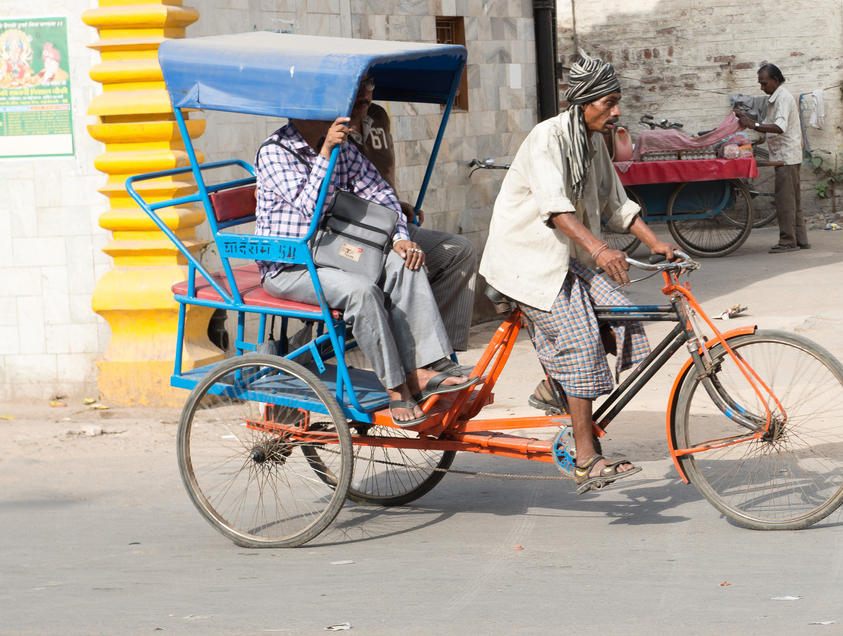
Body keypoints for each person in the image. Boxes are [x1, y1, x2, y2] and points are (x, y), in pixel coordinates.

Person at [480, 55, 680, 494]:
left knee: (622, 312)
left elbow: (617, 203)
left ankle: (557, 385)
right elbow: (557, 210)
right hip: (526, 262)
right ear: (585, 101)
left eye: (617, 102)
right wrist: (601, 249)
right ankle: (587, 459)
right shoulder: (547, 139)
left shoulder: (591, 141)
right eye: (609, 103)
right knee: (582, 340)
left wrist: (656, 242)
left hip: (564, 259)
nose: (616, 112)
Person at [254, 76, 477, 426]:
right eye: (358, 105)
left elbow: (379, 192)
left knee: (408, 260)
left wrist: (402, 236)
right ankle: (397, 388)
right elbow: (310, 212)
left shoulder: (346, 147)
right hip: (292, 264)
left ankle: (427, 365)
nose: (363, 112)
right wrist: (325, 154)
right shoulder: (276, 152)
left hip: (337, 248)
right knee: (363, 293)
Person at [354, 101, 478, 354]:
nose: (365, 92)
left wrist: (394, 206)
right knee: (409, 263)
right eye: (360, 85)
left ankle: (441, 354)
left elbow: (378, 181)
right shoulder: (326, 134)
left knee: (460, 251)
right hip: (354, 235)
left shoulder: (376, 115)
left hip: (387, 223)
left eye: (370, 83)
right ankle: (420, 361)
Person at [738, 62, 809, 252]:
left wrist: (754, 125)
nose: (762, 87)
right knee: (793, 201)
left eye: (764, 83)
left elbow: (779, 127)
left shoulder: (783, 98)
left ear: (775, 80)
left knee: (785, 201)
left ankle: (787, 242)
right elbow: (770, 126)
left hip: (786, 157)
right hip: (787, 155)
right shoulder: (775, 98)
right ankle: (800, 239)